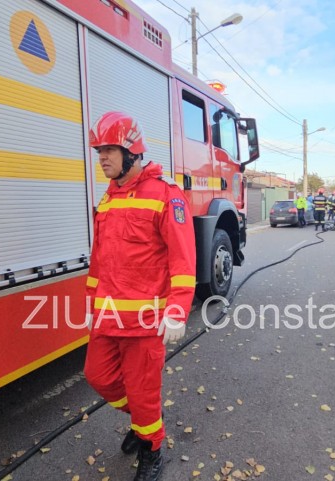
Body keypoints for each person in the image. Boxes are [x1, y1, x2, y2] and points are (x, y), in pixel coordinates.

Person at [83, 111, 196, 481]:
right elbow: (100, 258)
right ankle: (144, 422)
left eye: (110, 150)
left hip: (147, 320)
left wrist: (177, 311)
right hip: (108, 315)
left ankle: (152, 446)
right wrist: (91, 305)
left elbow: (183, 258)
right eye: (99, 150)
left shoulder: (166, 194)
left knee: (142, 389)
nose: (102, 157)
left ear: (132, 151)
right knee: (98, 376)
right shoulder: (109, 196)